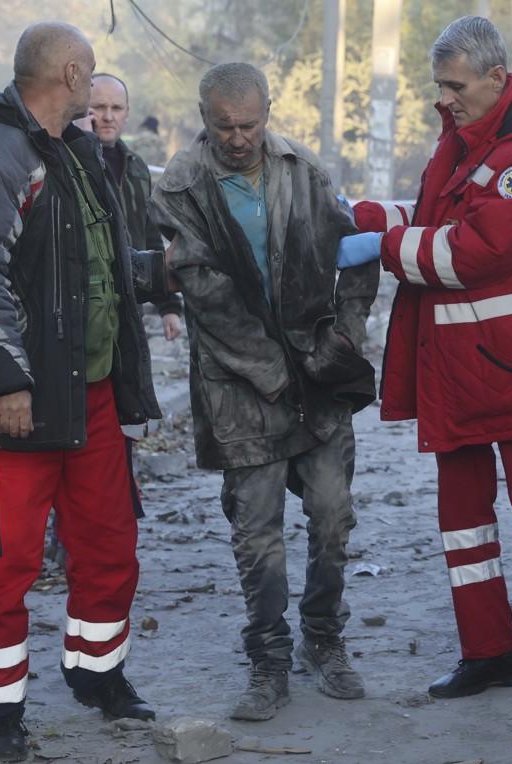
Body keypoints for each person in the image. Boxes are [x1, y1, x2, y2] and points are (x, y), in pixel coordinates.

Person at [0, 22, 175, 761]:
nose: (97, 86)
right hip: (14, 410)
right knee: (1, 560)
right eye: (90, 73)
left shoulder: (75, 153)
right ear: (68, 73)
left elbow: (90, 260)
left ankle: (99, 676)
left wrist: (160, 274)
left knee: (109, 542)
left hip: (87, 396)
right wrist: (7, 382)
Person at [345, 16, 512, 729]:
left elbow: (474, 248)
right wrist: (363, 215)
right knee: (463, 521)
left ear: (497, 78)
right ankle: (489, 651)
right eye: (440, 87)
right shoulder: (469, 137)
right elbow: (436, 214)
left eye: (456, 86)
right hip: (462, 373)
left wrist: (382, 245)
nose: (447, 98)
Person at [150, 62, 379, 723]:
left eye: (250, 124)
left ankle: (325, 638)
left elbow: (356, 257)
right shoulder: (180, 186)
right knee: (257, 531)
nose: (239, 138)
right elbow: (208, 298)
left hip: (320, 374)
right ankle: (268, 659)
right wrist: (279, 372)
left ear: (269, 114)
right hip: (239, 387)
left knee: (333, 516)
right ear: (204, 117)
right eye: (225, 126)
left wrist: (344, 339)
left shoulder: (303, 170)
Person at [87, 73, 184, 340]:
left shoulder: (137, 167)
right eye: (98, 107)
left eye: (116, 108)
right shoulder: (72, 164)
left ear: (127, 113)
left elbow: (149, 234)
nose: (108, 116)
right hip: (87, 312)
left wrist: (168, 306)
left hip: (131, 308)